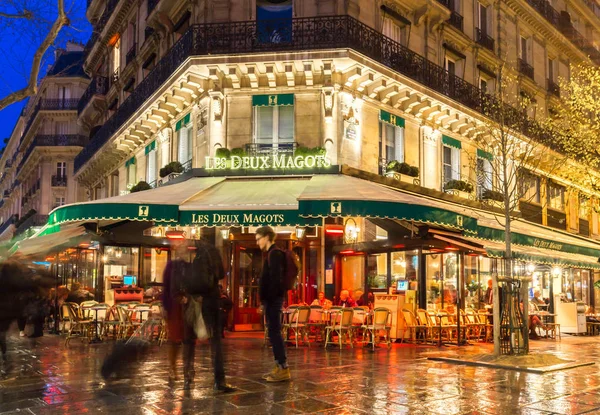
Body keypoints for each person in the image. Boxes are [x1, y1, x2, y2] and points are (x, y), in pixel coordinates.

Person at [256, 226, 291, 383]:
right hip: (272, 299)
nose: (257, 243)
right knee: (273, 333)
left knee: (275, 333)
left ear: (267, 237)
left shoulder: (275, 254)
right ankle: (279, 366)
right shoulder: (272, 254)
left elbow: (275, 280)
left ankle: (282, 367)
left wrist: (266, 301)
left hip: (273, 299)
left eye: (258, 239)